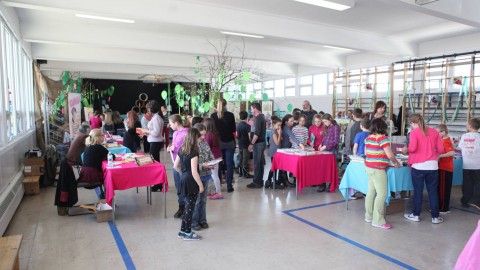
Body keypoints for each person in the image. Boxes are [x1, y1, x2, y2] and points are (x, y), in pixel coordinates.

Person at [402, 114, 444, 224]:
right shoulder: (435, 132)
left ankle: (416, 214)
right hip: (433, 165)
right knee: (433, 191)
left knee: (418, 191)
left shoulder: (414, 133)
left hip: (418, 165)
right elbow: (441, 149)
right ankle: (435, 217)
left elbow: (413, 148)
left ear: (412, 123)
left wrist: (406, 149)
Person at [364, 119, 401, 229]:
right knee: (381, 194)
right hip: (378, 169)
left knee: (370, 192)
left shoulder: (368, 138)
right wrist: (396, 162)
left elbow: (368, 152)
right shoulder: (382, 138)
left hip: (369, 167)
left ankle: (369, 216)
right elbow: (389, 155)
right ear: (382, 128)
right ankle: (378, 220)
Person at [174, 128, 204, 241]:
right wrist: (200, 185)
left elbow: (175, 166)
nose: (200, 139)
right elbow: (194, 171)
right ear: (194, 138)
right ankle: (187, 232)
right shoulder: (194, 152)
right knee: (189, 208)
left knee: (187, 206)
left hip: (184, 179)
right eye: (198, 137)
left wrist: (183, 174)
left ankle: (182, 231)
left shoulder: (182, 149)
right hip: (191, 181)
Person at [191, 123, 215, 231]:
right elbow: (189, 164)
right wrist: (202, 165)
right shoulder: (191, 145)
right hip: (196, 176)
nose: (203, 137)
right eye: (201, 135)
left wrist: (213, 162)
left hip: (206, 174)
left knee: (203, 199)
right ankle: (194, 221)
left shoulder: (205, 143)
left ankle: (203, 220)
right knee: (196, 200)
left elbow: (210, 155)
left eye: (204, 135)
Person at [210, 98, 236, 193]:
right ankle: (229, 186)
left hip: (218, 143)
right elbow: (233, 129)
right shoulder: (231, 115)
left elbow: (211, 130)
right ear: (225, 105)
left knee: (219, 165)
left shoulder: (213, 116)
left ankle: (219, 185)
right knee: (229, 165)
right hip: (229, 142)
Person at [78, 129, 112, 199]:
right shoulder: (99, 147)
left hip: (83, 174)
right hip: (92, 176)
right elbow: (111, 156)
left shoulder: (87, 146)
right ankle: (107, 196)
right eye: (102, 135)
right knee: (108, 177)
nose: (104, 137)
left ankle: (100, 193)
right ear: (98, 137)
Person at [167, 114, 189, 218]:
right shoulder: (175, 133)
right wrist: (171, 148)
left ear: (176, 123)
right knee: (178, 186)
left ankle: (187, 207)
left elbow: (184, 148)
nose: (170, 125)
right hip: (175, 162)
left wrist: (174, 148)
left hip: (183, 163)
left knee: (185, 185)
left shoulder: (186, 133)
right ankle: (181, 206)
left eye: (171, 123)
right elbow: (175, 146)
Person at [458, 118, 480, 210]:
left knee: (467, 184)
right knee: (478, 184)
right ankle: (476, 201)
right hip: (478, 165)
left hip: (467, 165)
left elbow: (460, 147)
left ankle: (465, 201)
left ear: (470, 126)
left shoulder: (464, 136)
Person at [318, 113, 341, 192]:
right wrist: (321, 144)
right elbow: (325, 137)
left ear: (330, 119)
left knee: (331, 168)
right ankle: (322, 184)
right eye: (323, 122)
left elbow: (336, 140)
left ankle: (331, 184)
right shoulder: (327, 127)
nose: (324, 123)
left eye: (325, 121)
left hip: (332, 151)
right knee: (323, 168)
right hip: (325, 150)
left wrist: (326, 146)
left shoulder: (336, 127)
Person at [280, 114, 304, 187]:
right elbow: (292, 137)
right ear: (286, 122)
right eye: (291, 121)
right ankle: (285, 181)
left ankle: (283, 181)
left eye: (293, 121)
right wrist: (300, 144)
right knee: (284, 166)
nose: (292, 123)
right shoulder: (286, 128)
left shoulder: (287, 127)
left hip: (287, 147)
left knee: (284, 165)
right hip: (285, 148)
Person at [435, 124, 455, 214]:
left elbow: (452, 152)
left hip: (445, 168)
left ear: (443, 132)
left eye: (437, 132)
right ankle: (440, 206)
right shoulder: (441, 140)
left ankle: (443, 208)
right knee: (440, 188)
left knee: (443, 189)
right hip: (441, 167)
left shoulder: (446, 141)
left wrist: (440, 156)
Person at [246, 102, 266, 189]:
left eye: (251, 108)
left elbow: (257, 133)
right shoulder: (261, 117)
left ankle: (256, 182)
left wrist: (251, 144)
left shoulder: (258, 118)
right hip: (261, 143)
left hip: (258, 144)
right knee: (260, 163)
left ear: (255, 108)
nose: (251, 110)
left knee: (257, 163)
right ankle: (260, 181)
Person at [142, 101, 165, 173]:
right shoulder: (155, 117)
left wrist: (146, 131)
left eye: (148, 108)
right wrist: (147, 133)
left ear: (152, 108)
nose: (148, 110)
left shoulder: (156, 117)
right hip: (154, 141)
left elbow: (156, 133)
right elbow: (154, 132)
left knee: (154, 162)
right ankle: (157, 182)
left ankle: (157, 182)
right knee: (155, 161)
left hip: (155, 142)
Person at [204, 118, 223, 200]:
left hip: (212, 157)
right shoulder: (215, 133)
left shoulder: (208, 135)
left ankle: (219, 192)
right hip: (217, 155)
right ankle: (208, 190)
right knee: (211, 174)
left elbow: (207, 147)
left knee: (213, 175)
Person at [265, 117, 283, 189]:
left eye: (280, 125)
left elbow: (271, 141)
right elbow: (277, 143)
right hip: (274, 152)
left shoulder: (274, 131)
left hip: (276, 151)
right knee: (274, 167)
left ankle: (272, 181)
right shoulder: (274, 132)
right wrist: (279, 133)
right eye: (278, 125)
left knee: (275, 167)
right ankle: (269, 181)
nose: (279, 127)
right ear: (274, 125)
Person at [236, 111, 253, 178]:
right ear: (247, 117)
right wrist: (251, 144)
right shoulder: (247, 126)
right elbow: (249, 136)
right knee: (245, 159)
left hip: (240, 144)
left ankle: (240, 172)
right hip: (246, 144)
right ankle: (245, 173)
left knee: (240, 158)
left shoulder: (238, 125)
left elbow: (237, 135)